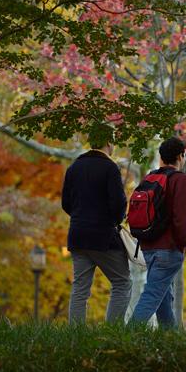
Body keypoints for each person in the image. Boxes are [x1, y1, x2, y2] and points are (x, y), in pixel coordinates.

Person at [62, 133, 131, 323]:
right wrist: (117, 220)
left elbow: (66, 203)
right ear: (108, 142)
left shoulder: (74, 167)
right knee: (122, 282)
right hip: (103, 236)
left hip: (77, 234)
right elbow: (118, 203)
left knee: (80, 288)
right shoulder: (110, 167)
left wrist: (80, 217)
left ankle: (76, 334)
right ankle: (112, 331)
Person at [130, 136, 186, 328]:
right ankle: (127, 334)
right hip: (169, 248)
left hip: (148, 246)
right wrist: (182, 245)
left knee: (163, 297)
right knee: (153, 294)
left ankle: (169, 338)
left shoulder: (149, 178)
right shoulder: (181, 180)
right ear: (181, 156)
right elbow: (181, 219)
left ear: (161, 156)